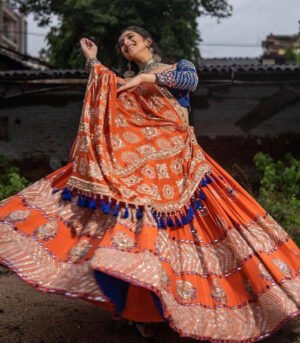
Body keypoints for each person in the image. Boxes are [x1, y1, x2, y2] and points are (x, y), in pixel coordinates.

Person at [0, 26, 299, 342]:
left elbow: (190, 82)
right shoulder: (123, 83)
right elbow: (105, 103)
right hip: (140, 171)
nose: (126, 44)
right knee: (136, 234)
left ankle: (259, 304)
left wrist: (145, 79)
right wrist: (93, 61)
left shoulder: (178, 67)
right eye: (121, 43)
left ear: (148, 41)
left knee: (216, 230)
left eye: (131, 38)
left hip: (182, 167)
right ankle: (143, 311)